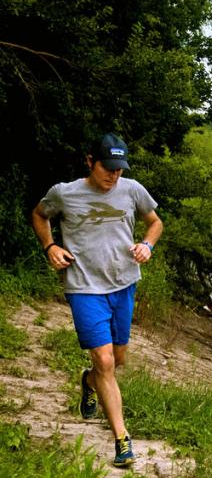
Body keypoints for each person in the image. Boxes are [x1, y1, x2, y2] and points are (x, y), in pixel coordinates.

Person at [31, 133, 163, 469]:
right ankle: (122, 440)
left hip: (124, 284)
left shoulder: (132, 190)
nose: (113, 176)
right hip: (84, 287)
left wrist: (146, 245)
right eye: (107, 168)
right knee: (104, 361)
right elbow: (39, 215)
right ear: (90, 161)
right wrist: (51, 247)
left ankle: (88, 382)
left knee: (117, 361)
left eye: (119, 169)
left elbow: (155, 223)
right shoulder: (65, 192)